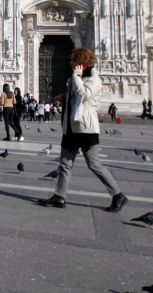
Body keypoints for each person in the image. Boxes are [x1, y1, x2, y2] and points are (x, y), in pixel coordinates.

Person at [37, 47, 127, 212]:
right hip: (71, 127)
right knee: (64, 163)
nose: (70, 62)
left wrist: (76, 77)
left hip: (86, 129)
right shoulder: (75, 79)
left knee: (94, 164)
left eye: (73, 60)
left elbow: (83, 95)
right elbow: (75, 97)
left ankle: (118, 195)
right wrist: (64, 97)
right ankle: (59, 196)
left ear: (81, 63)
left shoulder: (94, 79)